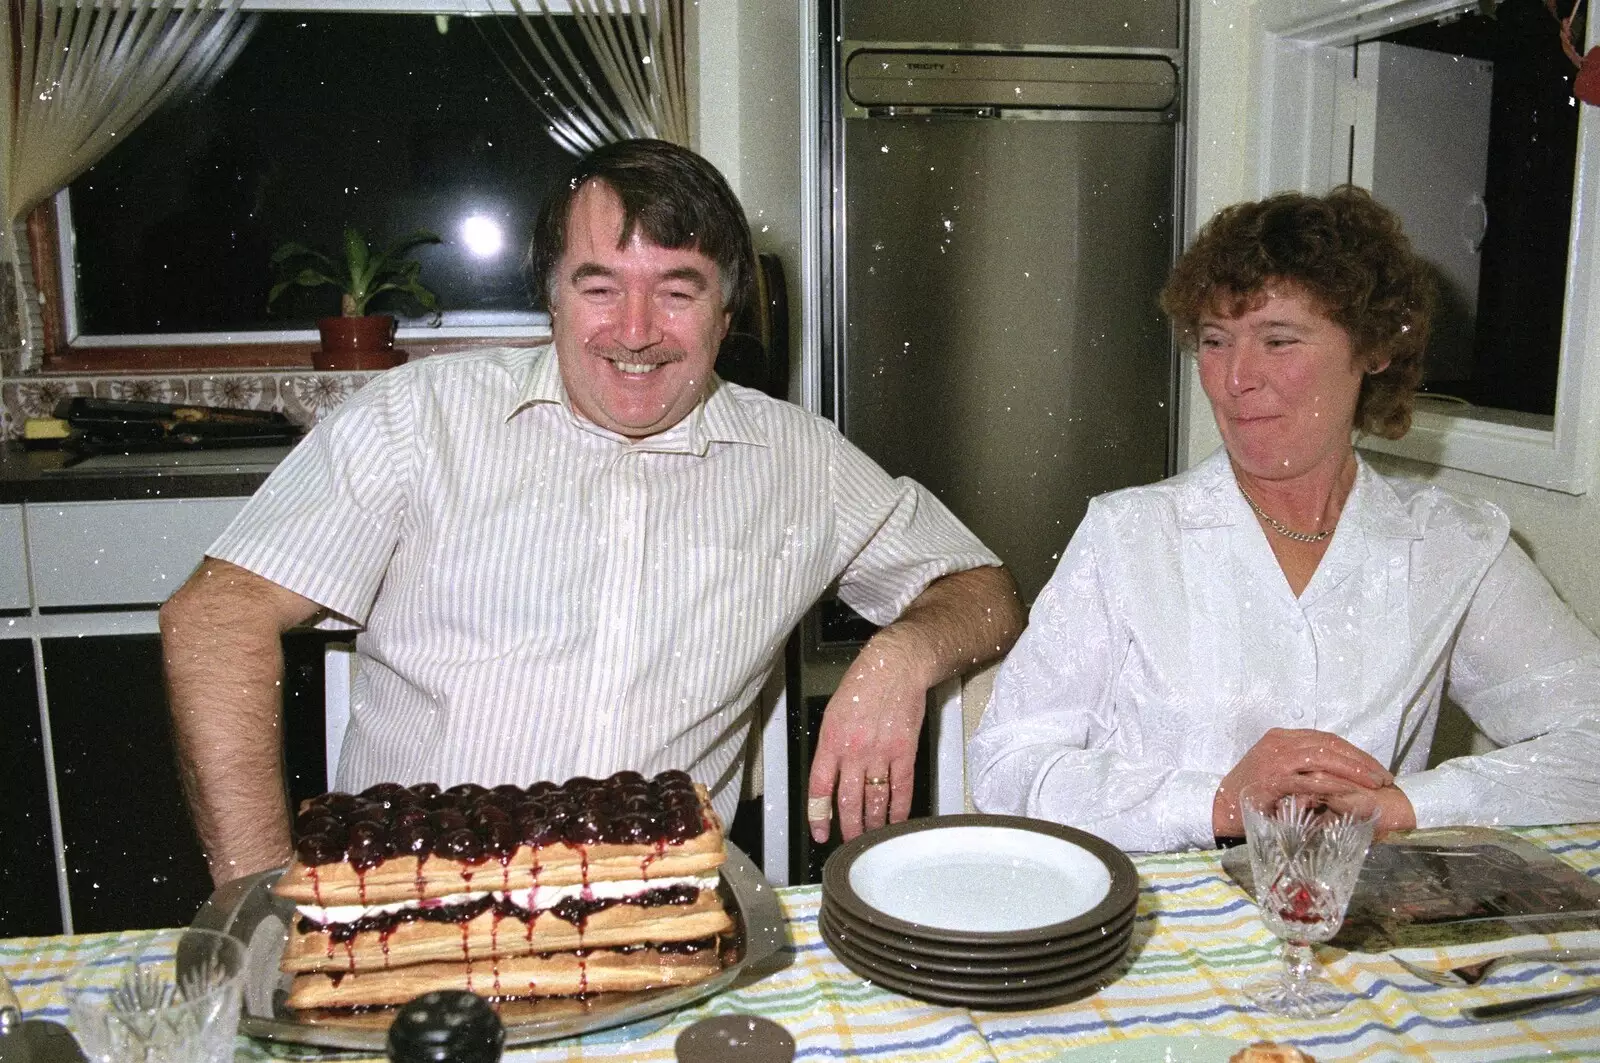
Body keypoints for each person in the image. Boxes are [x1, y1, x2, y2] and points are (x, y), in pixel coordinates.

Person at [162, 138, 1024, 886]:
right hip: (412, 905)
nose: (636, 330)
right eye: (600, 287)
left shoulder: (802, 458)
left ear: (727, 314)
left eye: (678, 291)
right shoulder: (416, 418)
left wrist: (903, 652)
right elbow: (214, 616)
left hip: (654, 912)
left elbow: (983, 588)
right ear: (551, 297)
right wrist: (255, 895)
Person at [967, 186, 1600, 852]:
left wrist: (1406, 806)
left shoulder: (1450, 546)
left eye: (1278, 340)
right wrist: (1214, 802)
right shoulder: (1129, 538)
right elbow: (1006, 765)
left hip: (1354, 935)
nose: (1237, 377)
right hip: (1165, 928)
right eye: (1216, 341)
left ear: (1372, 349)